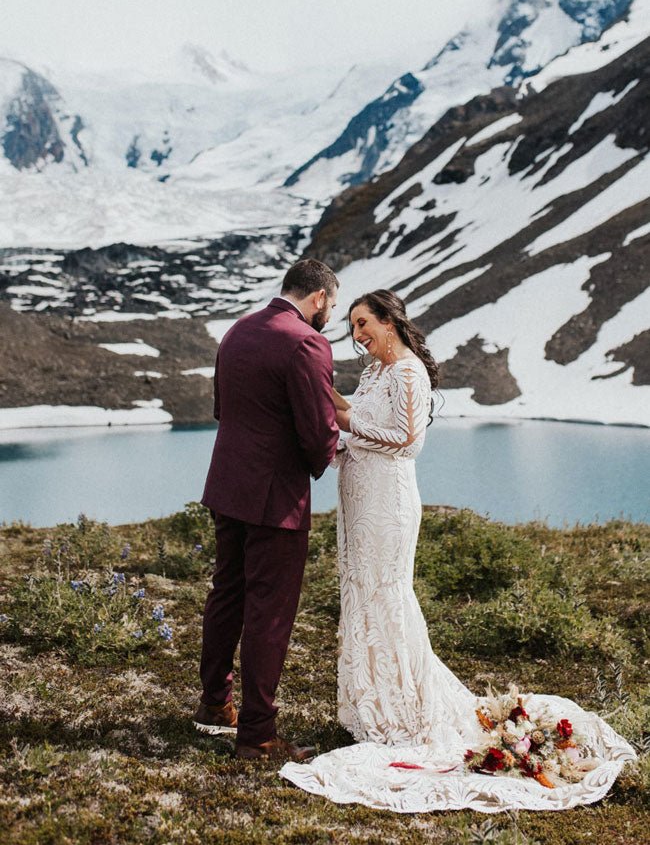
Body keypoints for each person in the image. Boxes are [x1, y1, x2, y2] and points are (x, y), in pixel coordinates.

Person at [280, 289, 635, 812]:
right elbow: (359, 417)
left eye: (363, 324)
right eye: (351, 326)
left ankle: (403, 713)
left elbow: (405, 439)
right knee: (361, 593)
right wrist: (329, 400)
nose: (356, 335)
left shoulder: (407, 373)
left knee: (387, 594)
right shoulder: (376, 372)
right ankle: (370, 706)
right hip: (358, 496)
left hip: (389, 501)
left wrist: (344, 421)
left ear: (389, 321)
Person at [194, 259, 340, 762]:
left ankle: (215, 703)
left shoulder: (237, 331)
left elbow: (222, 410)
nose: (329, 316)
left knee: (227, 592)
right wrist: (322, 458)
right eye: (332, 306)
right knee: (270, 613)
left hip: (226, 486)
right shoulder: (305, 342)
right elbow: (319, 434)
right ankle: (257, 734)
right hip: (274, 498)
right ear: (319, 298)